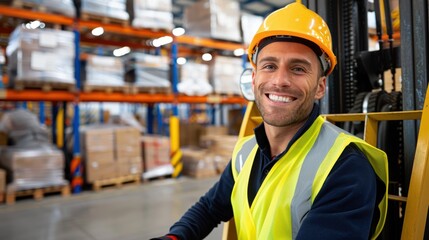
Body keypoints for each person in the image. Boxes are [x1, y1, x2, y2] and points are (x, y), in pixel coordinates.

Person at [152, 1, 388, 239]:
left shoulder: (346, 167)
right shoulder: (246, 152)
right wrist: (176, 236)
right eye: (269, 66)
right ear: (254, 79)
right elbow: (209, 208)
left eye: (298, 69)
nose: (279, 81)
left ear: (320, 87)